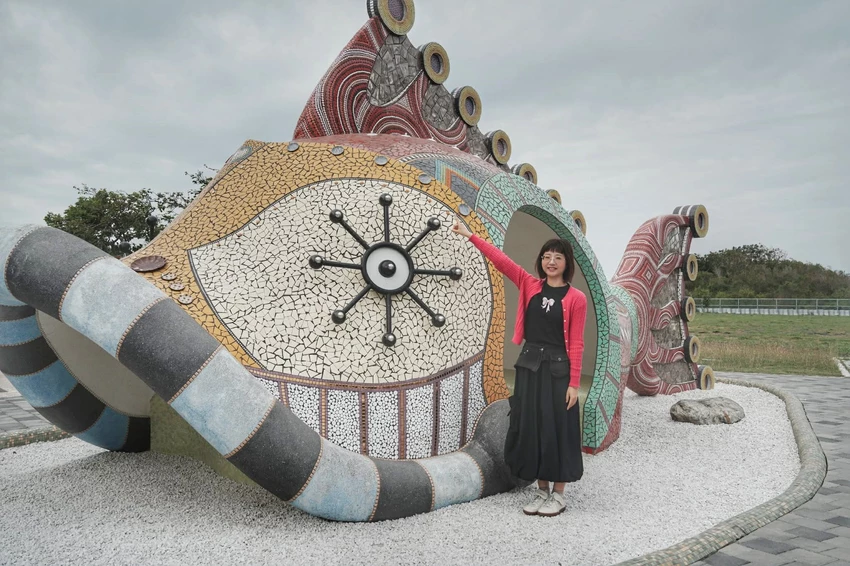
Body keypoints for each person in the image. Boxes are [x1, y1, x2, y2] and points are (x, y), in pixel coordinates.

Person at [451, 218, 587, 517]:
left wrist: (574, 383)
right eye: (546, 256)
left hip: (558, 370)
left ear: (567, 262)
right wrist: (470, 235)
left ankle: (559, 494)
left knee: (557, 429)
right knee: (532, 427)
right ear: (541, 261)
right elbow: (501, 261)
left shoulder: (576, 298)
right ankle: (541, 490)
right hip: (529, 366)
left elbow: (577, 343)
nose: (551, 262)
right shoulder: (529, 283)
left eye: (558, 257)